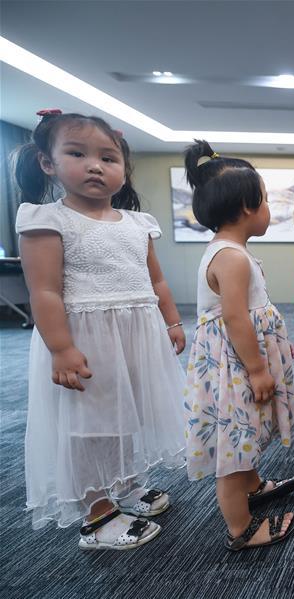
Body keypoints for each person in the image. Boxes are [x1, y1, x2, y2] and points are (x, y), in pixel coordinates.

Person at [14, 110, 185, 549]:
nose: (95, 165)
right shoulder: (45, 219)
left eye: (108, 157)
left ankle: (125, 485)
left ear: (123, 170)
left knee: (128, 417)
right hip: (84, 341)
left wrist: (172, 321)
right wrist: (61, 348)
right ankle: (97, 511)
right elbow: (45, 292)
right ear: (48, 163)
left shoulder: (137, 223)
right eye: (77, 153)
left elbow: (157, 281)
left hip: (136, 336)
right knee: (90, 427)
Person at [182, 141, 294, 551]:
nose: (269, 207)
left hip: (239, 361)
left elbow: (253, 315)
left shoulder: (231, 251)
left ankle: (253, 484)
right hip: (235, 367)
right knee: (233, 448)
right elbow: (235, 318)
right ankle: (241, 527)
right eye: (266, 199)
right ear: (248, 206)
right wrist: (257, 368)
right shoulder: (231, 257)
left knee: (246, 431)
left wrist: (276, 352)